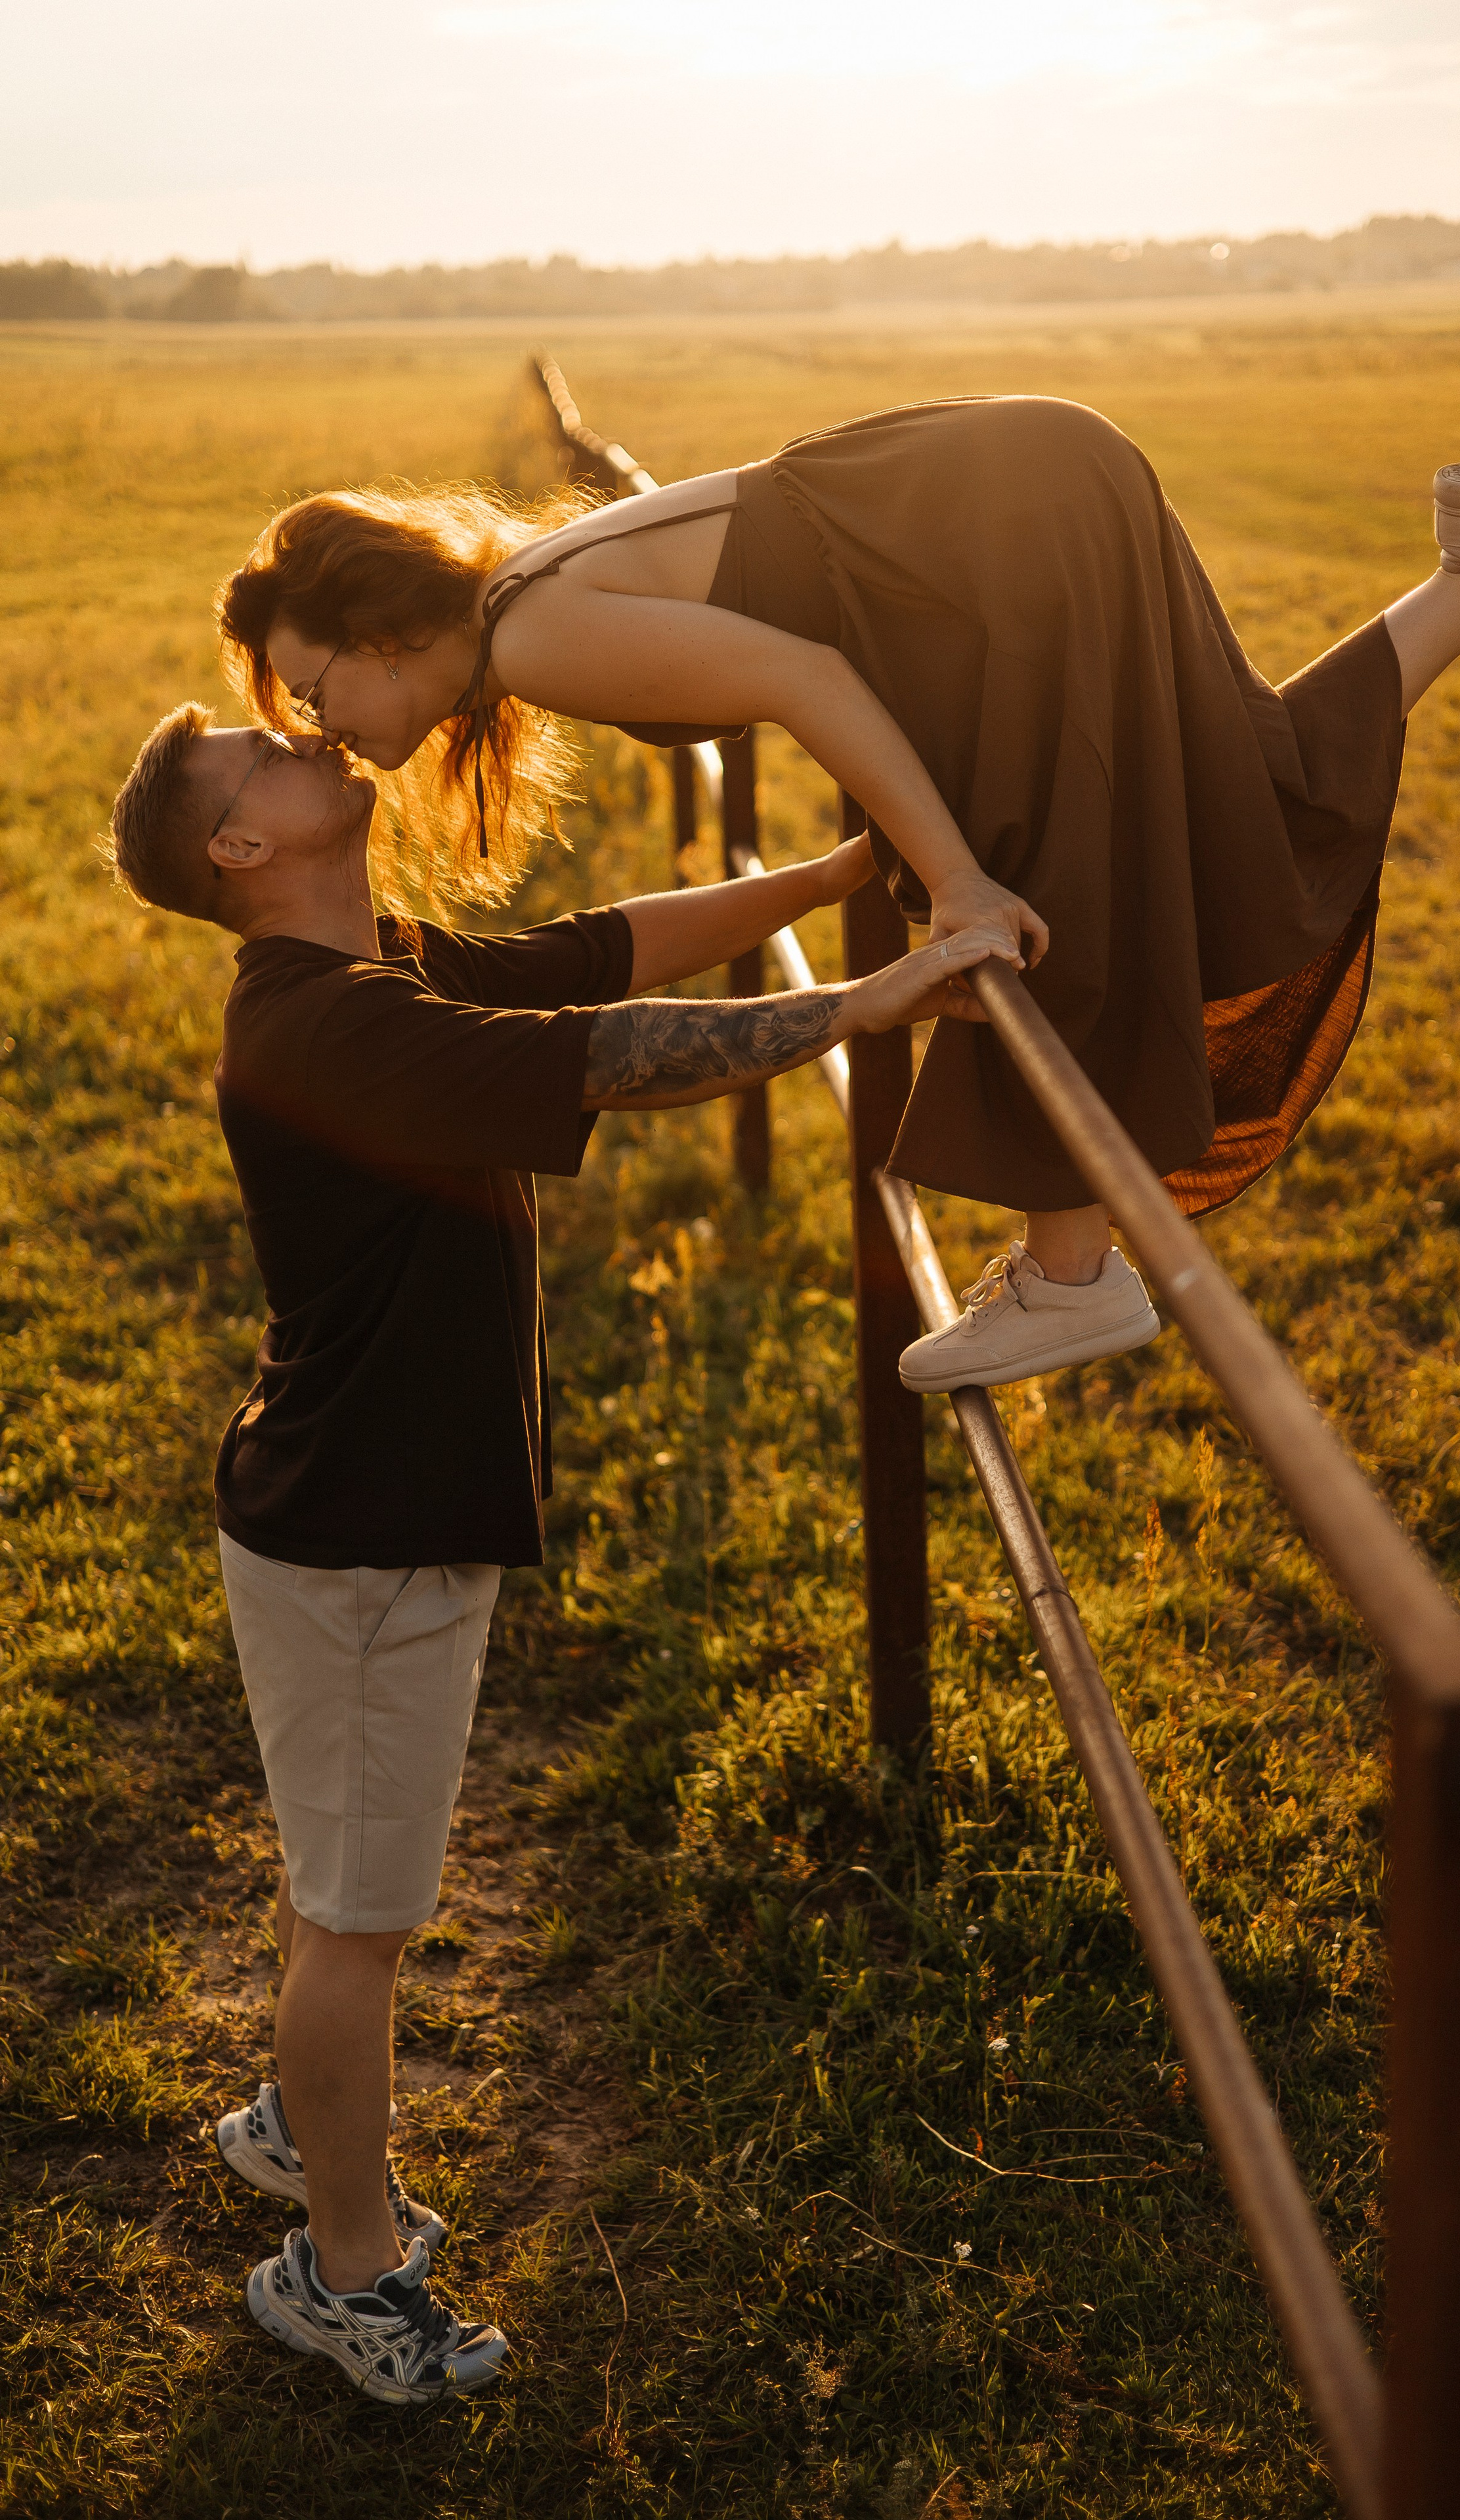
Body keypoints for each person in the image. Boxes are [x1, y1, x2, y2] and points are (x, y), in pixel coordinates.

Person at [102, 702, 998, 2405]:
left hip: (362, 1515)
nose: (303, 742)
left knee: (344, 1894)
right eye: (260, 757)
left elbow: (597, 952)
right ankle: (338, 2270)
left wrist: (827, 876)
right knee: (356, 1923)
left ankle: (308, 2122)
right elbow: (611, 1051)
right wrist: (865, 1002)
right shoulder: (327, 1028)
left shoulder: (381, 967)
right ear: (242, 847)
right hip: (361, 1542)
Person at [216, 400, 1460, 1393]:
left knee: (1047, 884)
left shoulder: (535, 641)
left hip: (1003, 525)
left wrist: (960, 871)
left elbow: (804, 674)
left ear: (383, 630)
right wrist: (902, 856)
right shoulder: (530, 591)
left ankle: (1070, 1272)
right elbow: (798, 626)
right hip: (1021, 486)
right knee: (1236, 790)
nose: (314, 720)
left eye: (311, 681)